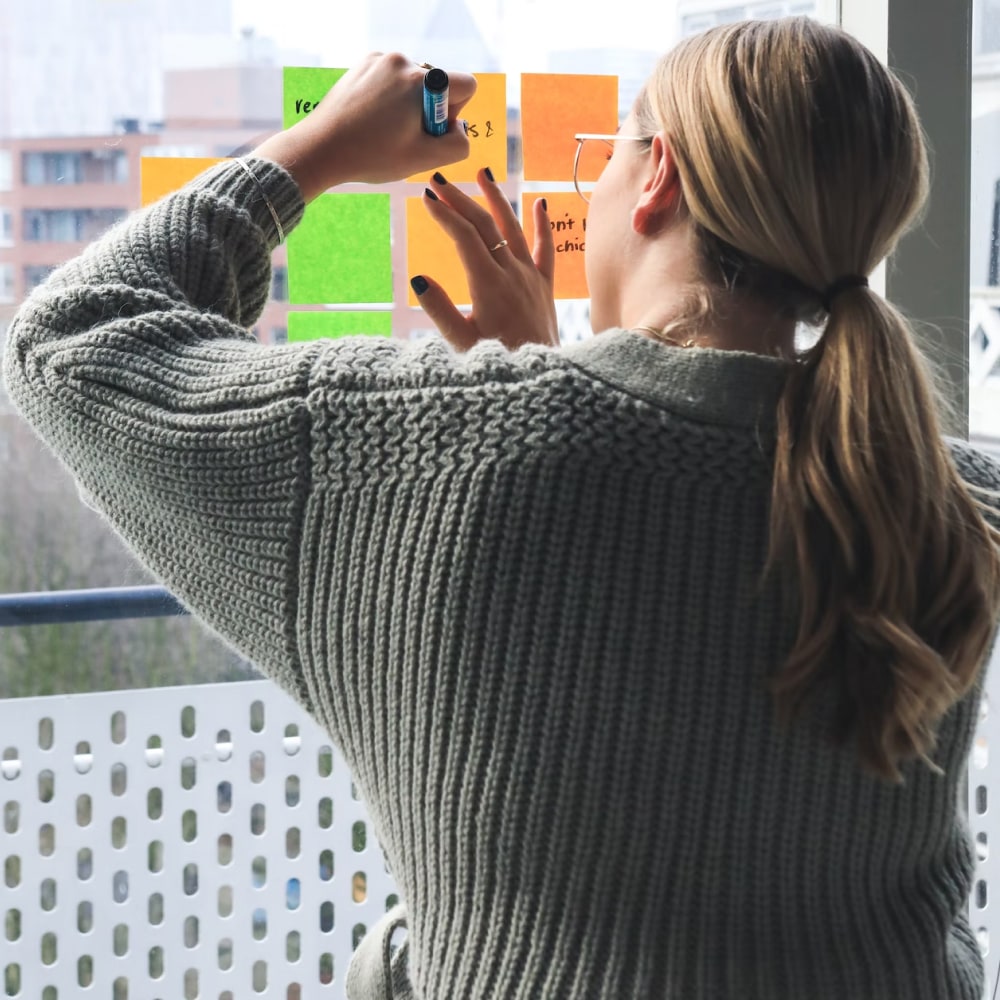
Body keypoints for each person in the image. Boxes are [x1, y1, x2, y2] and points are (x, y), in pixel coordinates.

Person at [4, 15, 1000, 1000]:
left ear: (658, 177)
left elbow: (72, 341)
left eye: (612, 154)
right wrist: (544, 379)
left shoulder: (431, 461)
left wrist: (321, 147)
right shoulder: (946, 505)